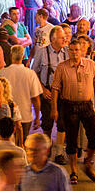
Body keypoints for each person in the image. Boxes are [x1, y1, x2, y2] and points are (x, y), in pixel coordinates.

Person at [50, 36, 95, 183]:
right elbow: (55, 89)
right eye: (72, 50)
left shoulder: (91, 65)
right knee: (71, 139)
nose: (74, 53)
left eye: (77, 50)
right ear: (68, 51)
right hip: (68, 105)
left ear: (82, 50)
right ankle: (73, 170)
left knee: (94, 136)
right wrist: (54, 109)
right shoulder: (62, 67)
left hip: (87, 105)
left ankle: (88, 163)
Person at [29, 26, 68, 163]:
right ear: (53, 39)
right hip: (48, 92)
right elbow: (34, 72)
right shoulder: (42, 52)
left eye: (64, 37)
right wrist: (42, 89)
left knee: (62, 123)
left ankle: (59, 152)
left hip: (63, 93)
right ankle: (47, 148)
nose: (65, 39)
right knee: (47, 123)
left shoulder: (67, 52)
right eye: (62, 37)